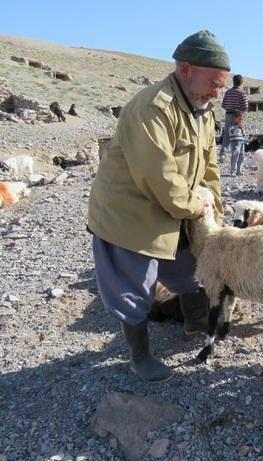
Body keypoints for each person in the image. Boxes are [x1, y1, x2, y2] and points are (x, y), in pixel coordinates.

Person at [87, 30, 231, 384]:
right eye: (212, 83)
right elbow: (159, 177)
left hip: (175, 206)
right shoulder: (154, 108)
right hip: (130, 213)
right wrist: (196, 207)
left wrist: (215, 216)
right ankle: (140, 356)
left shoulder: (203, 111)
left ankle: (195, 322)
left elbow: (210, 169)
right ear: (185, 69)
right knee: (135, 284)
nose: (217, 93)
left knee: (197, 261)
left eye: (221, 86)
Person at [218, 74, 249, 163]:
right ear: (241, 82)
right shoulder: (242, 93)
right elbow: (245, 106)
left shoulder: (228, 92)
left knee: (227, 135)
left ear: (233, 81)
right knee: (238, 135)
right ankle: (237, 155)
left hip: (228, 115)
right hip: (238, 116)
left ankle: (222, 154)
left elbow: (223, 105)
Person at [228, 110, 246, 176]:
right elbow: (232, 131)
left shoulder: (241, 126)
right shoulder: (232, 126)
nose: (241, 121)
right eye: (239, 119)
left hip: (241, 142)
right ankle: (233, 171)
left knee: (242, 156)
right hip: (235, 143)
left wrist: (242, 129)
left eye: (242, 119)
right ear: (234, 118)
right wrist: (237, 127)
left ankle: (239, 170)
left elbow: (244, 134)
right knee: (235, 156)